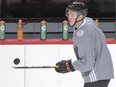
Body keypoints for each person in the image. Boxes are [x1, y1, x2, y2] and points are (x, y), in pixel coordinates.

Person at [55, 1, 114, 87]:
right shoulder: (88, 21)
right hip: (103, 71)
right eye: (68, 13)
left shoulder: (83, 36)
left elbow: (88, 64)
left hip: (96, 75)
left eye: (72, 15)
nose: (69, 17)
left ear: (81, 16)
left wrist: (69, 66)